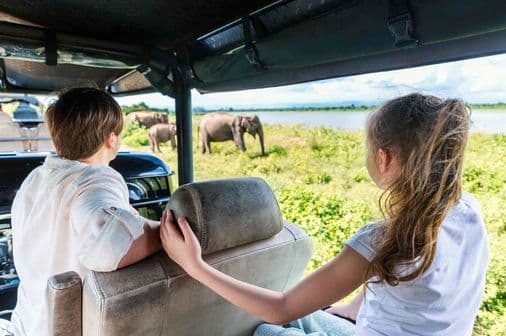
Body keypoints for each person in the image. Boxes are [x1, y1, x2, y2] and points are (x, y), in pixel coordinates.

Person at [160, 93, 489, 336]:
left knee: (266, 331)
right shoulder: (470, 212)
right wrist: (349, 309)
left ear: (384, 158)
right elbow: (395, 279)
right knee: (311, 316)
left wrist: (195, 266)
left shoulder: (383, 238)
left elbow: (281, 308)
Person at [9, 88, 161, 336]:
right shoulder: (95, 179)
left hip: (29, 323)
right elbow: (109, 248)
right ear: (111, 139)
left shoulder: (36, 178)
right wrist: (160, 229)